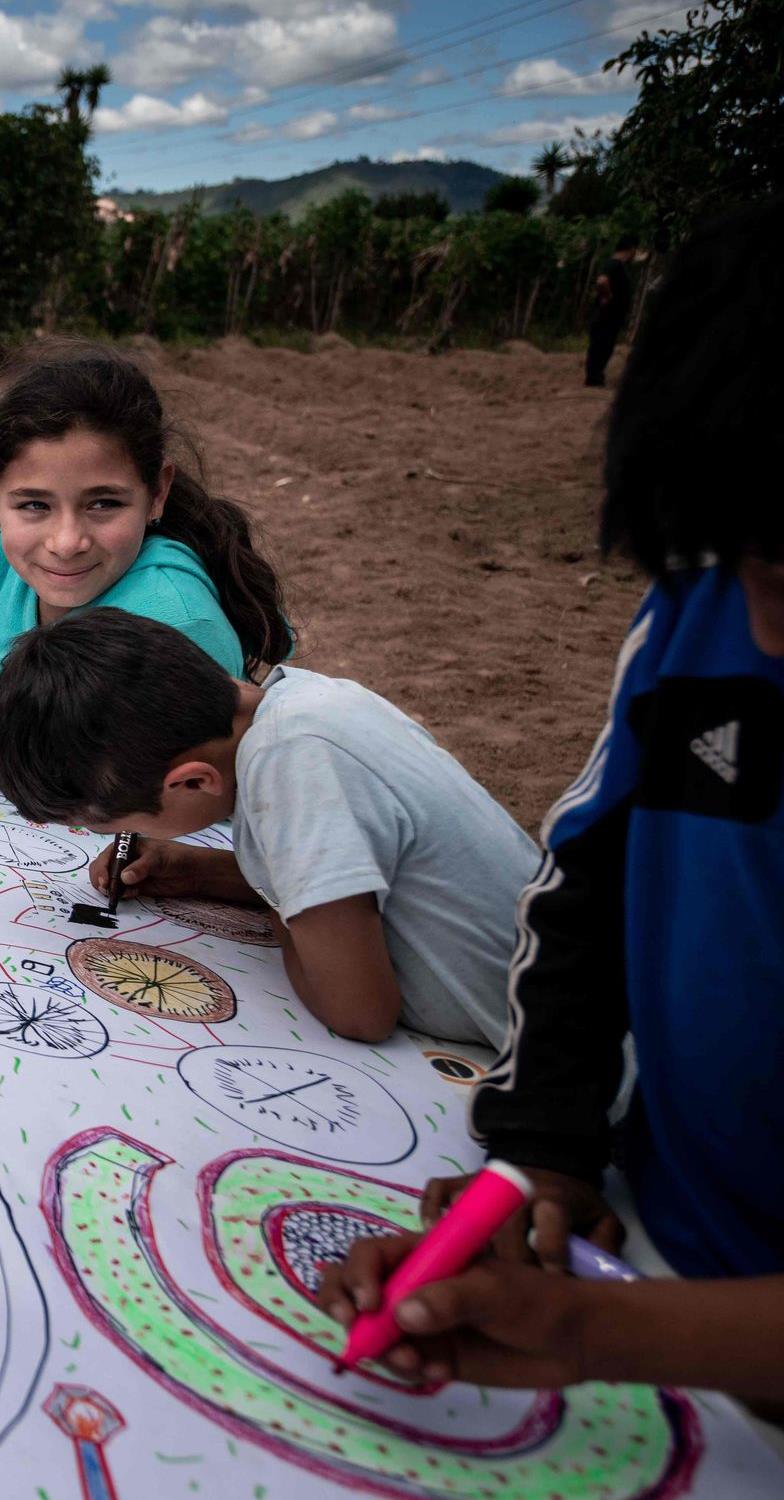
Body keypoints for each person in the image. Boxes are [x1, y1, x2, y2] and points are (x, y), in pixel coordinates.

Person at [315, 200, 784, 1402]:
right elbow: (589, 885)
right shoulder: (698, 615)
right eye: (757, 563)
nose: (765, 624)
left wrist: (594, 1338)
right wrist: (543, 1167)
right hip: (655, 1228)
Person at [0, 610, 538, 1047]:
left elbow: (360, 1012)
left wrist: (275, 886)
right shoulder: (300, 701)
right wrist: (200, 870)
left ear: (194, 783)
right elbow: (361, 878)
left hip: (568, 1073)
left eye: (117, 824)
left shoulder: (291, 767)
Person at [0, 344, 293, 791]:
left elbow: (99, 769)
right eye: (34, 505)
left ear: (157, 492)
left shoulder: (178, 623)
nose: (67, 543)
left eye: (103, 503)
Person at [584, 234, 644, 389]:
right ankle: (593, 379)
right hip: (606, 316)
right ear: (631, 249)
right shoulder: (614, 264)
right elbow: (602, 281)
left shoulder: (618, 265)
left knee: (605, 347)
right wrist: (607, 296)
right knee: (600, 346)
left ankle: (596, 377)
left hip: (611, 317)